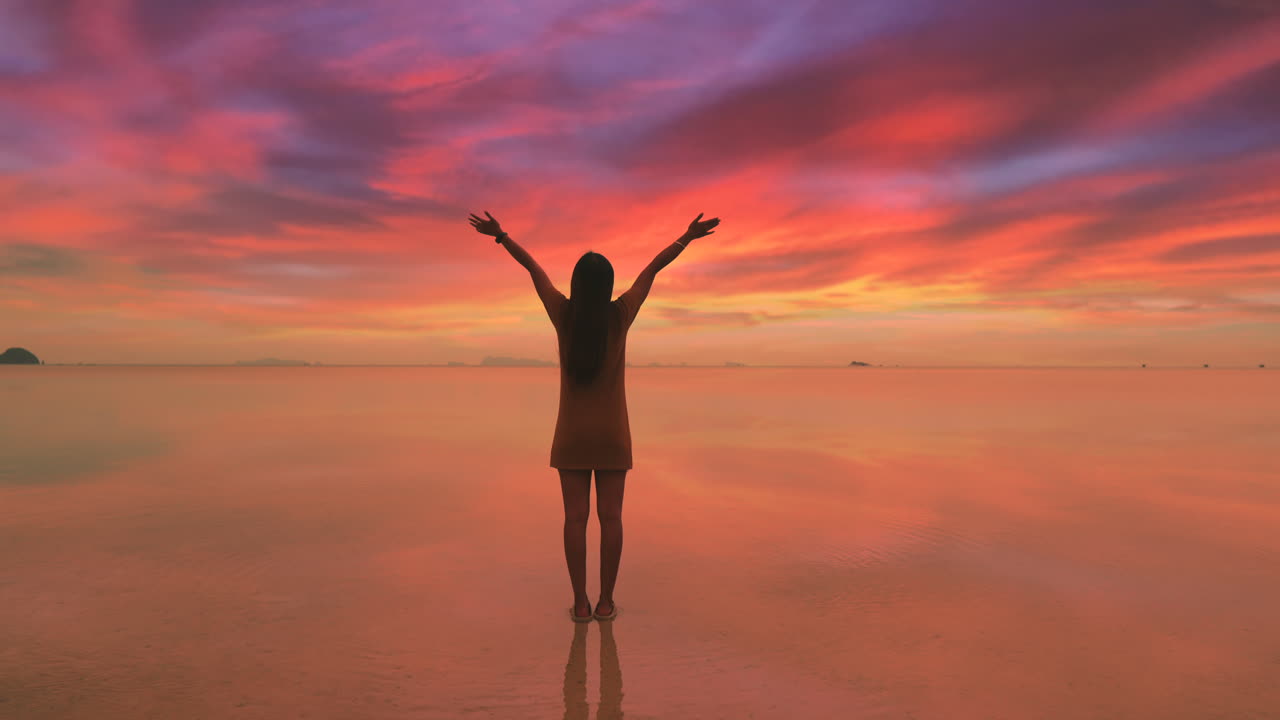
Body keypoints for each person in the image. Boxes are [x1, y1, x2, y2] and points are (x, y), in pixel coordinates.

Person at [468, 210, 721, 622]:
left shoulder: (562, 314)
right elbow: (651, 270)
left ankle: (581, 605)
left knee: (575, 518)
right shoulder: (620, 315)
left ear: (576, 285)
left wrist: (502, 237)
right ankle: (606, 603)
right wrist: (686, 237)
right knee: (612, 518)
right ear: (606, 287)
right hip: (612, 435)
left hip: (571, 435)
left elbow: (534, 269)